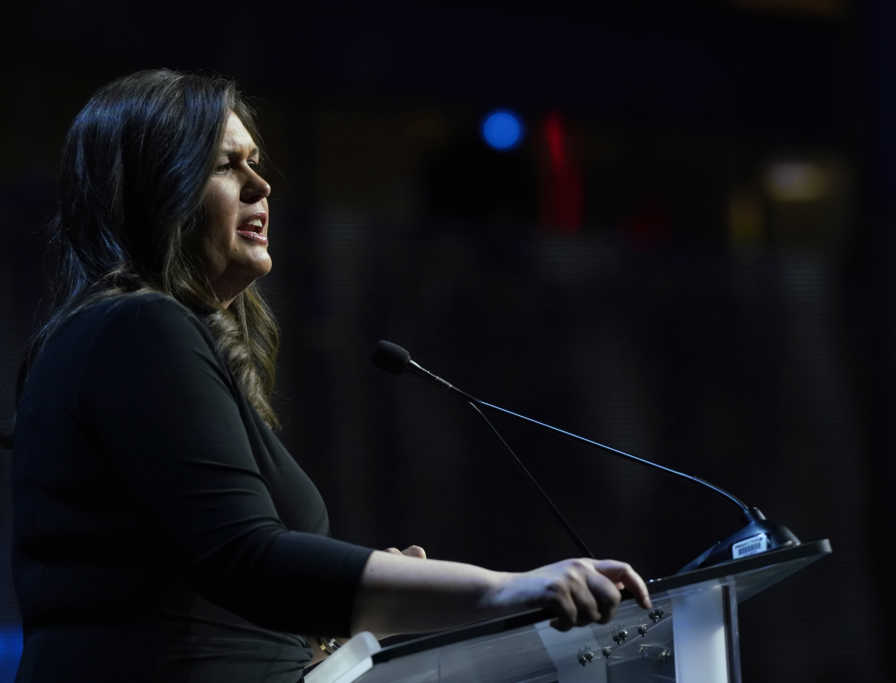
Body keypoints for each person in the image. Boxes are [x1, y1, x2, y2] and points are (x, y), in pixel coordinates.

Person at [6, 69, 650, 683]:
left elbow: (191, 590)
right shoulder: (137, 328)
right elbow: (247, 562)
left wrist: (362, 609)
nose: (261, 186)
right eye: (227, 165)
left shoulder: (119, 334)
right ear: (154, 188)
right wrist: (505, 588)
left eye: (255, 162)